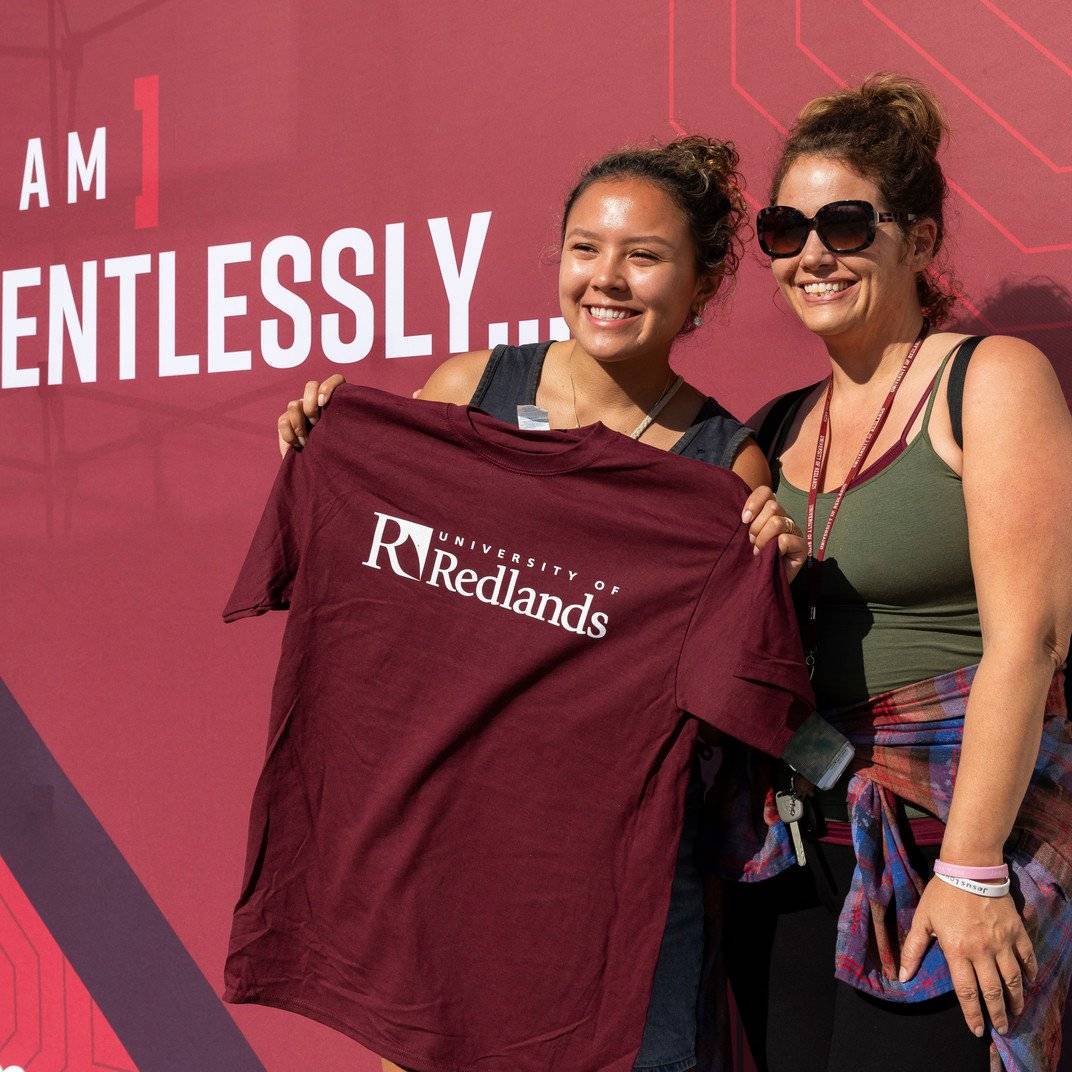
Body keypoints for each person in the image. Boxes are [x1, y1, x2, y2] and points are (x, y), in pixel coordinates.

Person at [264, 137, 816, 1072]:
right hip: (448, 854)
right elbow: (386, 617)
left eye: (645, 256)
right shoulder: (464, 391)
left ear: (702, 280)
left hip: (612, 887)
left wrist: (773, 578)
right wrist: (324, 447)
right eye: (585, 249)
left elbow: (737, 707)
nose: (608, 279)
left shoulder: (726, 468)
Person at [716, 74, 1072, 1072]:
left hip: (950, 849)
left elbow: (1030, 642)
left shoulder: (988, 381)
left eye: (844, 223)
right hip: (796, 857)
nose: (812, 253)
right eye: (785, 229)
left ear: (917, 239)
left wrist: (969, 873)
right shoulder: (773, 427)